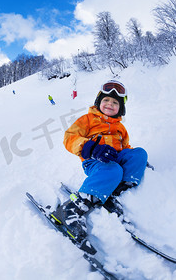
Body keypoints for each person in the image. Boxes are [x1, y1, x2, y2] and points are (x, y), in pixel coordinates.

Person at [51, 80, 149, 249]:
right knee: (113, 170)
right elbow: (69, 138)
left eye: (115, 102)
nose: (109, 104)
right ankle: (71, 210)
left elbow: (125, 147)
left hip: (115, 160)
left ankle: (115, 193)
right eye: (106, 100)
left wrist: (137, 161)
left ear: (121, 108)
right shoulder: (87, 120)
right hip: (95, 162)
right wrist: (90, 147)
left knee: (140, 154)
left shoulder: (121, 128)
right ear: (98, 102)